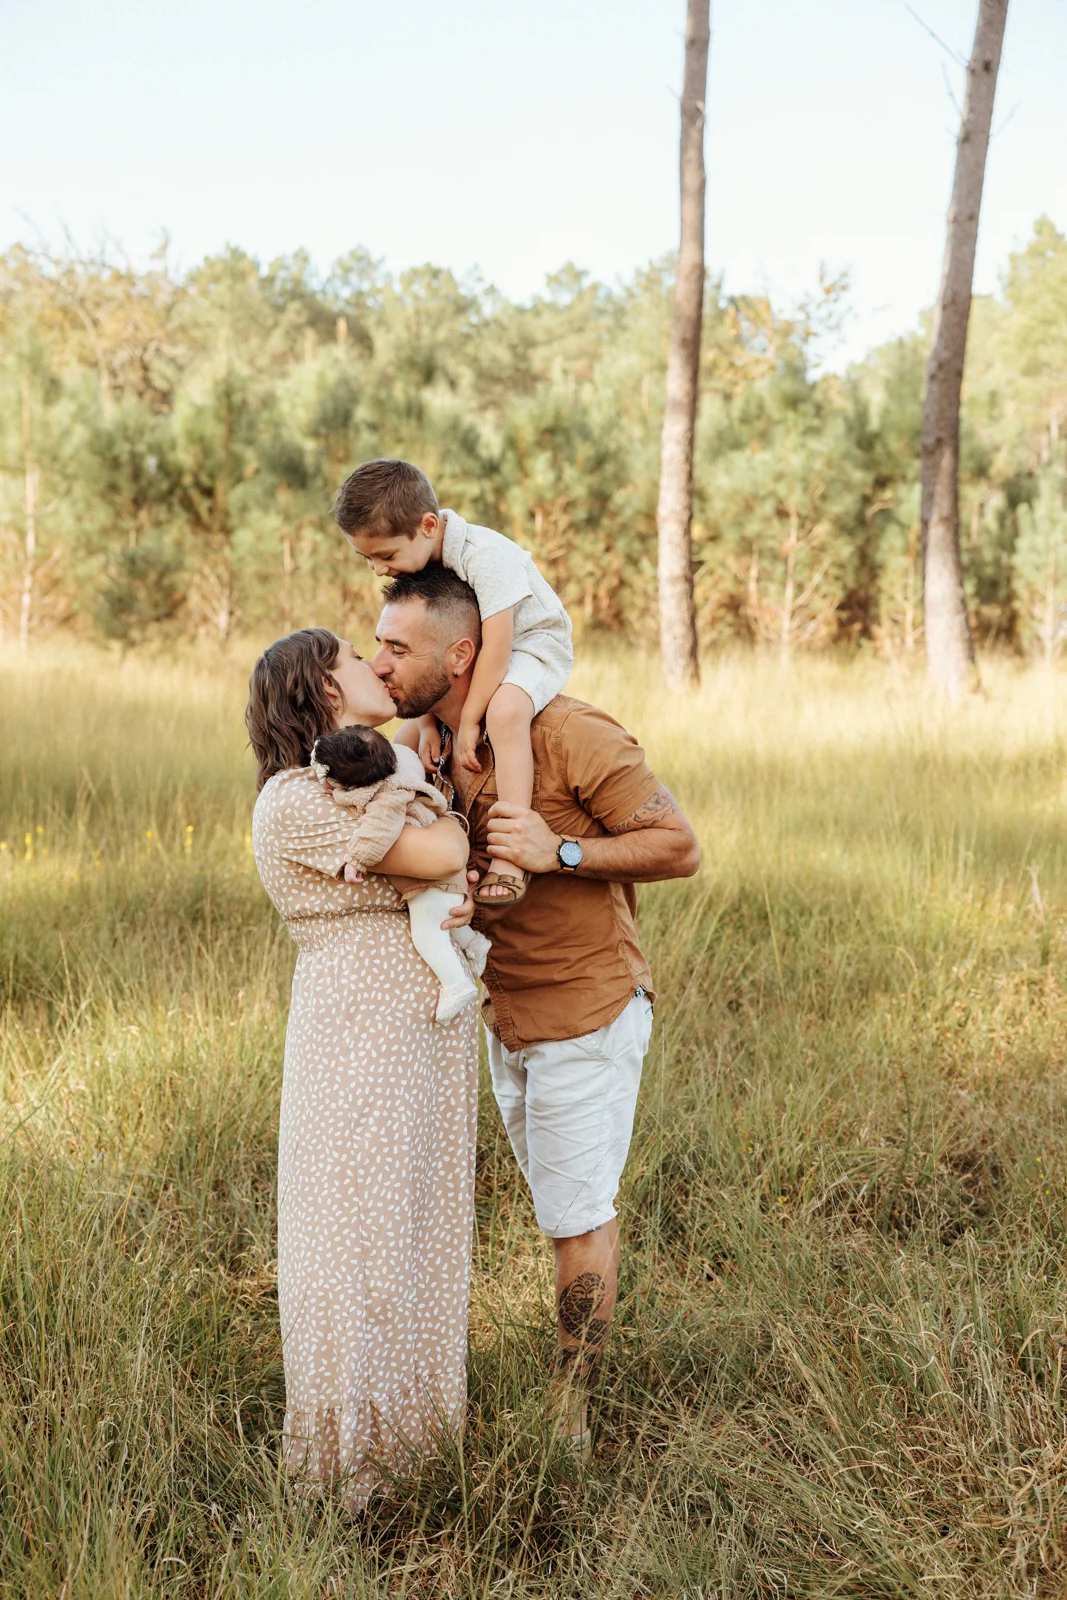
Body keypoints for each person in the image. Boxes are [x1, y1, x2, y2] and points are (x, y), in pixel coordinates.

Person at [369, 568, 701, 1457]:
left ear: (463, 653)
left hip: (585, 1010)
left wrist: (557, 849)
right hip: (502, 1013)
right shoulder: (423, 742)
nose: (381, 662)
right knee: (554, 1208)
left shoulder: (566, 730)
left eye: (398, 648)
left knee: (577, 1217)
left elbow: (677, 846)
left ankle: (571, 1418)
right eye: (377, 645)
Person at [246, 627, 479, 1510]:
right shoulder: (293, 799)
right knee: (357, 1239)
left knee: (417, 1227)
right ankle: (351, 1475)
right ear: (321, 689)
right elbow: (441, 855)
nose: (377, 666)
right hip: (360, 1038)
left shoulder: (369, 771)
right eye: (354, 659)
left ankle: (417, 1455)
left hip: (416, 1032)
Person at [334, 457, 573, 908]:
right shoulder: (423, 558)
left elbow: (499, 646)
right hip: (474, 648)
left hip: (533, 642)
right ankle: (395, 835)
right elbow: (430, 656)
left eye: (385, 556)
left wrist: (467, 722)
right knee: (405, 743)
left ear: (428, 525)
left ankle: (511, 854)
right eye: (367, 559)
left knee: (505, 713)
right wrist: (427, 721)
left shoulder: (487, 555)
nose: (379, 570)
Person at [307, 724, 490, 1023]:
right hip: (441, 874)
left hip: (430, 880)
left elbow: (378, 831)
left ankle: (456, 984)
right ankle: (475, 944)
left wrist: (357, 860)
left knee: (427, 931)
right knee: (446, 919)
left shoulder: (386, 798)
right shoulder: (395, 766)